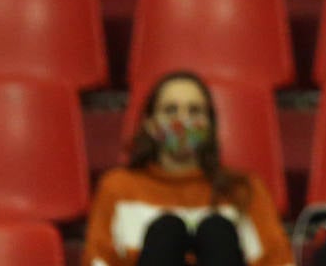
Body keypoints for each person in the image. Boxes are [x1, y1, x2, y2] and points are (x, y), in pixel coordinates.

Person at [84, 70, 292, 266]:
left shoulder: (243, 189)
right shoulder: (117, 188)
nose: (182, 120)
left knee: (217, 232)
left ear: (209, 125)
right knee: (166, 231)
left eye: (194, 110)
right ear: (151, 124)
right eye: (170, 110)